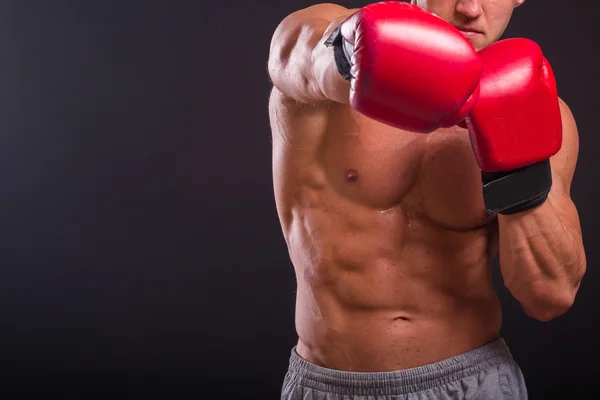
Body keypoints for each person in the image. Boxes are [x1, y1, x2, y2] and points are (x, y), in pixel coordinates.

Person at [267, 1, 587, 399]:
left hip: (473, 382)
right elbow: (300, 57)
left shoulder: (541, 109)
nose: (471, 9)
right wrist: (357, 53)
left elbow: (549, 296)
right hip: (332, 384)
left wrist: (517, 168)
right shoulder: (322, 39)